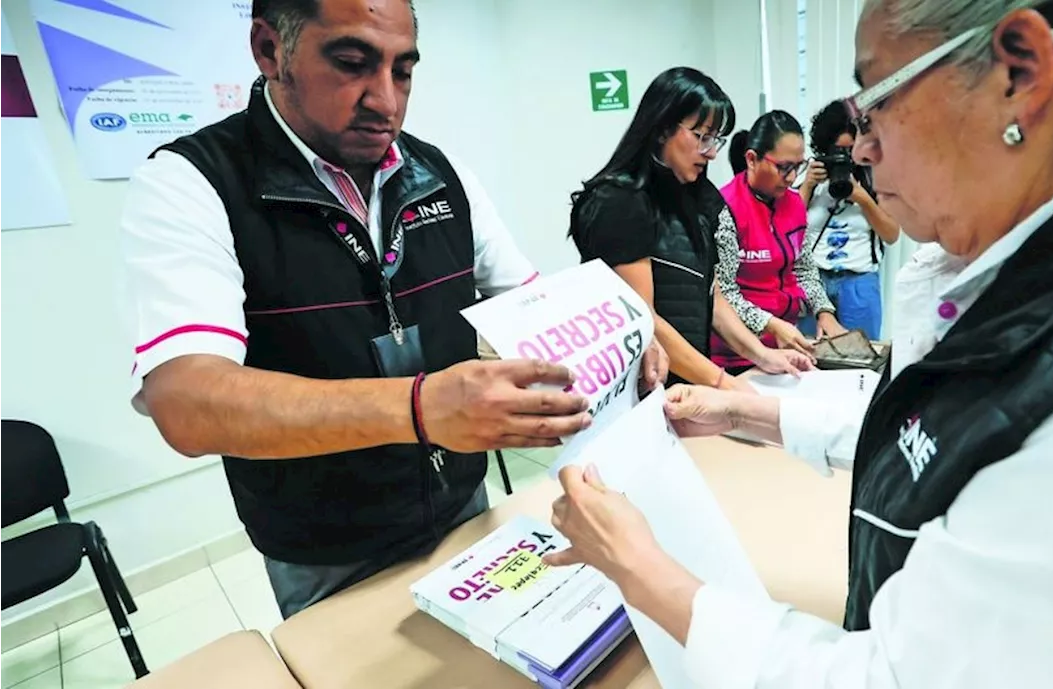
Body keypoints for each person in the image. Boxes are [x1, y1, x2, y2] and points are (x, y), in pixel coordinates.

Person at [544, 0, 1053, 686]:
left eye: (875, 101)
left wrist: (639, 566)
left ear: (1018, 71)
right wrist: (749, 413)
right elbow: (946, 429)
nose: (860, 149)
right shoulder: (1019, 271)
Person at [118, 0, 667, 619]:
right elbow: (187, 401)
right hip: (325, 547)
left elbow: (531, 303)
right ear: (271, 50)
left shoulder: (440, 171)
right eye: (352, 64)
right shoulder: (191, 182)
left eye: (403, 71)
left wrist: (618, 331)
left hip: (462, 503)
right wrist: (420, 408)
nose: (385, 102)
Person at [569, 68, 813, 391]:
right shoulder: (620, 201)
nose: (712, 152)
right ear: (662, 129)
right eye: (702, 137)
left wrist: (763, 355)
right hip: (640, 391)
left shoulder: (699, 198)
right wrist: (724, 383)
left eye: (716, 140)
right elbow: (644, 319)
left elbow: (712, 297)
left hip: (688, 385)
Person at [711, 112, 846, 375]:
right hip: (737, 355)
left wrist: (824, 310)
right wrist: (769, 324)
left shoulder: (794, 203)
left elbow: (803, 269)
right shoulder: (725, 208)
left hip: (786, 347)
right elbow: (724, 294)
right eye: (784, 167)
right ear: (752, 159)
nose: (792, 176)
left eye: (799, 166)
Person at [795, 100, 901, 339]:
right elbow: (788, 230)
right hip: (815, 282)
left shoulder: (876, 179)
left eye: (849, 151)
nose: (844, 158)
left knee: (861, 359)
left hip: (859, 283)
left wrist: (863, 198)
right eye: (836, 151)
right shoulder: (810, 179)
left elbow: (892, 235)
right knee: (810, 359)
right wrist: (808, 186)